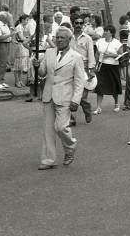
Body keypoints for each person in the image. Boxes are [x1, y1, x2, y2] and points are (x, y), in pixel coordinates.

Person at [33, 27, 86, 170]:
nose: (59, 40)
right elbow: (43, 72)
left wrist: (76, 100)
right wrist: (36, 66)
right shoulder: (49, 53)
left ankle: (70, 147)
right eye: (57, 37)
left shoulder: (76, 57)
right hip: (48, 94)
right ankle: (48, 160)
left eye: (62, 38)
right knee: (48, 130)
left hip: (65, 97)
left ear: (69, 40)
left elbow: (80, 81)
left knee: (61, 127)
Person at [69, 16, 96, 125]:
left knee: (82, 95)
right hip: (70, 66)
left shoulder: (87, 38)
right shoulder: (69, 37)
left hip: (83, 66)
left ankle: (87, 108)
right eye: (77, 23)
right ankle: (72, 118)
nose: (79, 25)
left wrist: (91, 70)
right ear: (73, 24)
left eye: (81, 23)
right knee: (70, 93)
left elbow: (91, 54)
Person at [94, 25, 123, 113]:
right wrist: (95, 64)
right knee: (99, 86)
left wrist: (109, 55)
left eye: (107, 31)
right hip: (102, 66)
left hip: (113, 66)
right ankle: (98, 107)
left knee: (114, 85)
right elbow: (97, 54)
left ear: (112, 33)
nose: (105, 32)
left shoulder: (117, 43)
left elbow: (121, 54)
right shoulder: (100, 41)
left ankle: (116, 103)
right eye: (105, 30)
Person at [0, 11, 12, 89]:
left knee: (4, 63)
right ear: (2, 17)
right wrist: (10, 35)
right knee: (0, 63)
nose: (9, 18)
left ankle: (1, 80)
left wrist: (11, 38)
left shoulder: (6, 25)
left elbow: (7, 36)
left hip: (7, 44)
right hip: (1, 45)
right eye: (8, 17)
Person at [12, 15, 31, 87]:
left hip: (24, 46)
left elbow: (26, 37)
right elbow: (22, 38)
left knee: (21, 65)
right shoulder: (19, 27)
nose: (27, 21)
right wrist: (29, 38)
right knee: (18, 65)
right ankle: (16, 81)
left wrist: (28, 38)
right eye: (26, 20)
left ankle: (20, 80)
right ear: (22, 20)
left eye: (28, 20)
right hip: (20, 46)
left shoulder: (24, 27)